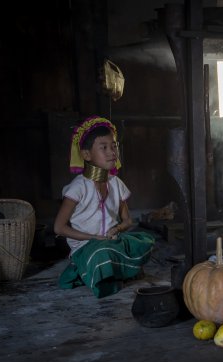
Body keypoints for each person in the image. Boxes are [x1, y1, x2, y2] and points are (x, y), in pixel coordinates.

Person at [54, 115, 155, 298]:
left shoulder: (116, 183)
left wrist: (116, 229)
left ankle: (110, 270)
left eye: (114, 146)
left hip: (111, 240)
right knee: (103, 253)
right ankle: (104, 271)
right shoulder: (78, 187)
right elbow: (59, 228)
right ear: (86, 155)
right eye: (104, 147)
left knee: (145, 241)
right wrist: (93, 236)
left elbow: (128, 221)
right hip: (87, 246)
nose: (112, 152)